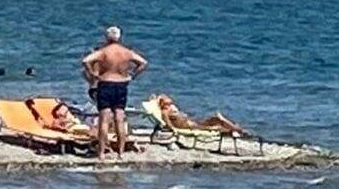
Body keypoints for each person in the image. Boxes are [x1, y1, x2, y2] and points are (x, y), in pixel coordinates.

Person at [81, 26, 148, 160]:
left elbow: (86, 60)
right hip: (121, 84)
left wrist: (94, 74)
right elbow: (143, 63)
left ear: (107, 37)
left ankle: (101, 154)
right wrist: (132, 76)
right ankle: (121, 153)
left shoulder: (103, 51)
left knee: (104, 119)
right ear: (119, 37)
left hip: (106, 83)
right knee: (119, 118)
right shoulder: (126, 52)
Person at [154, 94, 246, 134]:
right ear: (163, 103)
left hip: (194, 122)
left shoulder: (169, 108)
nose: (169, 100)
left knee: (217, 120)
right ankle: (237, 130)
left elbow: (160, 96)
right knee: (218, 121)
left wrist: (158, 99)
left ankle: (236, 129)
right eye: (167, 100)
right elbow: (170, 126)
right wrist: (175, 131)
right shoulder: (165, 112)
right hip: (193, 126)